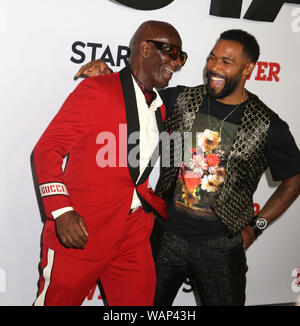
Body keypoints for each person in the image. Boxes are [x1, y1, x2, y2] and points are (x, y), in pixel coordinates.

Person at [75, 29, 300, 306]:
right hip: (165, 236)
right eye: (212, 58)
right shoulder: (180, 99)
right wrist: (108, 73)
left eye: (226, 62)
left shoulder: (268, 125)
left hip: (221, 247)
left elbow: (294, 179)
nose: (214, 68)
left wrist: (257, 227)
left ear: (248, 69)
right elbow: (134, 96)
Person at [32, 20, 187, 306]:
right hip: (82, 230)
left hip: (134, 233)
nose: (177, 63)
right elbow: (47, 150)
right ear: (145, 47)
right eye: (172, 52)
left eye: (182, 57)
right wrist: (62, 211)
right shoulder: (98, 90)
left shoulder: (162, 105)